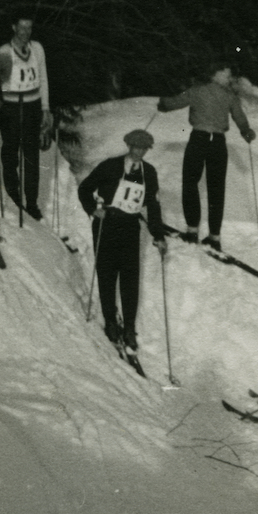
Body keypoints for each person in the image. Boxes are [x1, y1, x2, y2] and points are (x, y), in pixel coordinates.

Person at [78, 129, 167, 361]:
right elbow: (84, 188)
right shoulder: (110, 166)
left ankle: (129, 329)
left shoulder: (149, 172)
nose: (139, 152)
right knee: (107, 274)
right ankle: (110, 321)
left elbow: (153, 206)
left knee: (129, 278)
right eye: (136, 147)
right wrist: (93, 209)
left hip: (130, 227)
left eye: (144, 149)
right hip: (107, 224)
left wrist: (158, 235)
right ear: (129, 147)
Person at [157, 63, 256, 249]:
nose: (229, 78)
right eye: (226, 75)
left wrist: (163, 104)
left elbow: (175, 102)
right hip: (218, 143)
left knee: (190, 182)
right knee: (216, 188)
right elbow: (239, 117)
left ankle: (192, 231)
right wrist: (246, 131)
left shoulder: (198, 91)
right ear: (215, 75)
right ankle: (214, 236)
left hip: (199, 140)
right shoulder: (230, 96)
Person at [0, 14, 52, 219]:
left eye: (29, 28)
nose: (25, 32)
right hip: (12, 108)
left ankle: (31, 203)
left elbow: (43, 77)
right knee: (10, 152)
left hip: (33, 107)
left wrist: (45, 108)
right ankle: (14, 198)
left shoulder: (38, 48)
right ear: (14, 27)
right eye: (22, 28)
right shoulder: (4, 52)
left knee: (32, 157)